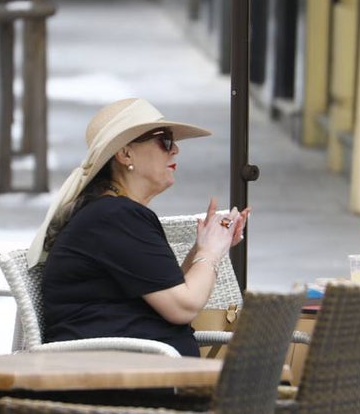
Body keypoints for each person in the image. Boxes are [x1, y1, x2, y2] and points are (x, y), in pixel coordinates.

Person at [25, 97, 249, 357]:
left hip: (138, 369)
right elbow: (183, 307)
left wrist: (205, 247)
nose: (175, 149)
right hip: (118, 379)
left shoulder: (113, 215)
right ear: (125, 153)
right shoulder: (114, 217)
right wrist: (210, 251)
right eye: (164, 139)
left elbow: (164, 290)